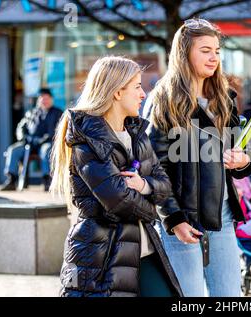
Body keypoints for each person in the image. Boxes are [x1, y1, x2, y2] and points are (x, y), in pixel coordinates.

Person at [51, 56, 182, 297]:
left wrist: (142, 185)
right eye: (137, 86)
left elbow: (164, 186)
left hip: (145, 250)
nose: (143, 94)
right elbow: (119, 202)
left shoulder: (138, 135)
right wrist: (152, 210)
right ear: (117, 92)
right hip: (103, 257)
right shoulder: (87, 141)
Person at [144, 18, 251, 297]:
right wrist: (173, 219)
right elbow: (154, 166)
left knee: (230, 296)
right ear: (184, 53)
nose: (213, 57)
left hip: (223, 216)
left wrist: (243, 160)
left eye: (217, 50)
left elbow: (237, 152)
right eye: (205, 50)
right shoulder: (165, 99)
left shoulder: (224, 96)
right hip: (182, 220)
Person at [1, 88, 63, 191]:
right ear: (39, 100)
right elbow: (21, 127)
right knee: (13, 150)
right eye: (42, 98)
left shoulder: (58, 112)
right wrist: (23, 137)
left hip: (46, 143)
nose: (44, 101)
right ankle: (12, 179)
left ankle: (47, 179)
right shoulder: (31, 112)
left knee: (46, 150)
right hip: (29, 143)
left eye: (47, 98)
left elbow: (58, 130)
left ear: (51, 99)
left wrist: (44, 139)